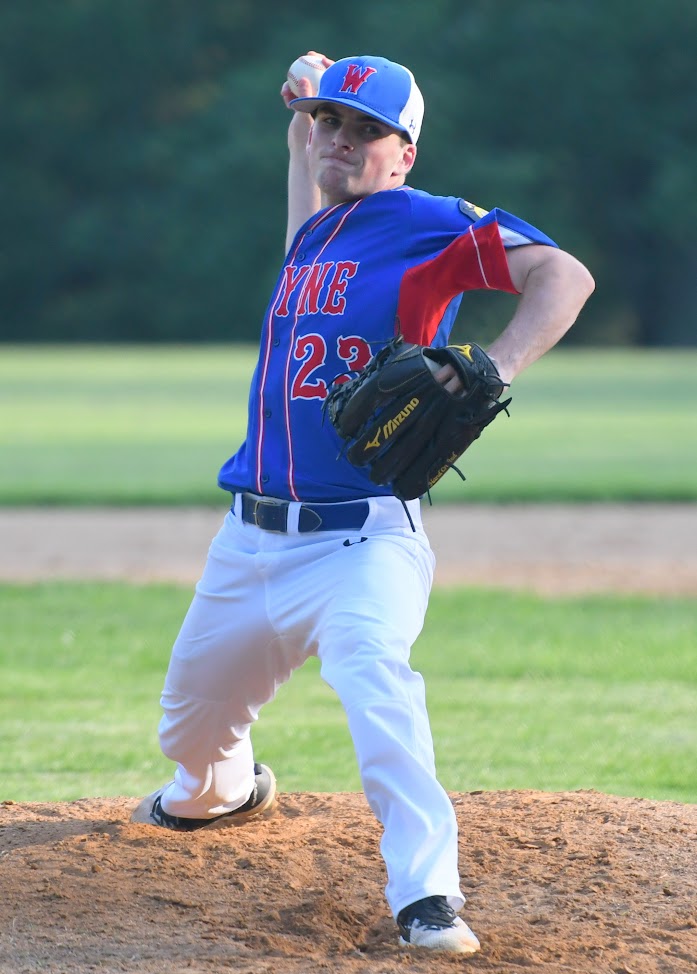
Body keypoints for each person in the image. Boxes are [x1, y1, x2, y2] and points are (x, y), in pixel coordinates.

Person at [132, 53, 594, 954]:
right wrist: (301, 106)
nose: (340, 140)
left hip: (362, 544)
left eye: (365, 130)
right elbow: (305, 158)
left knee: (373, 678)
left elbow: (564, 277)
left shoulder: (423, 223)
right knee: (187, 733)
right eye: (330, 124)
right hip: (247, 543)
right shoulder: (315, 231)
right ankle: (222, 792)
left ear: (404, 152)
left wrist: (493, 365)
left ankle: (426, 895)